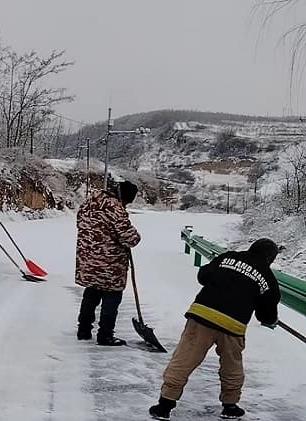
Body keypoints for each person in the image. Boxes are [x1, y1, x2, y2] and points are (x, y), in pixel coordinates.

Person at [149, 238, 281, 421]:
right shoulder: (269, 279)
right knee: (231, 366)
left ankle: (164, 406)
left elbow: (203, 276)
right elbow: (265, 316)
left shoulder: (228, 257)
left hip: (202, 315)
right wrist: (272, 319)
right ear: (271, 258)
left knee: (184, 359)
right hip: (233, 326)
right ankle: (230, 406)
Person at [75, 179, 141, 346]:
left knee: (91, 293)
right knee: (111, 297)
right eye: (126, 202)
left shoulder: (90, 201)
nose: (125, 205)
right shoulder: (115, 208)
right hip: (110, 264)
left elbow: (81, 224)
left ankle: (83, 330)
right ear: (124, 197)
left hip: (88, 260)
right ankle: (105, 335)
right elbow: (129, 237)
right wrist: (135, 235)